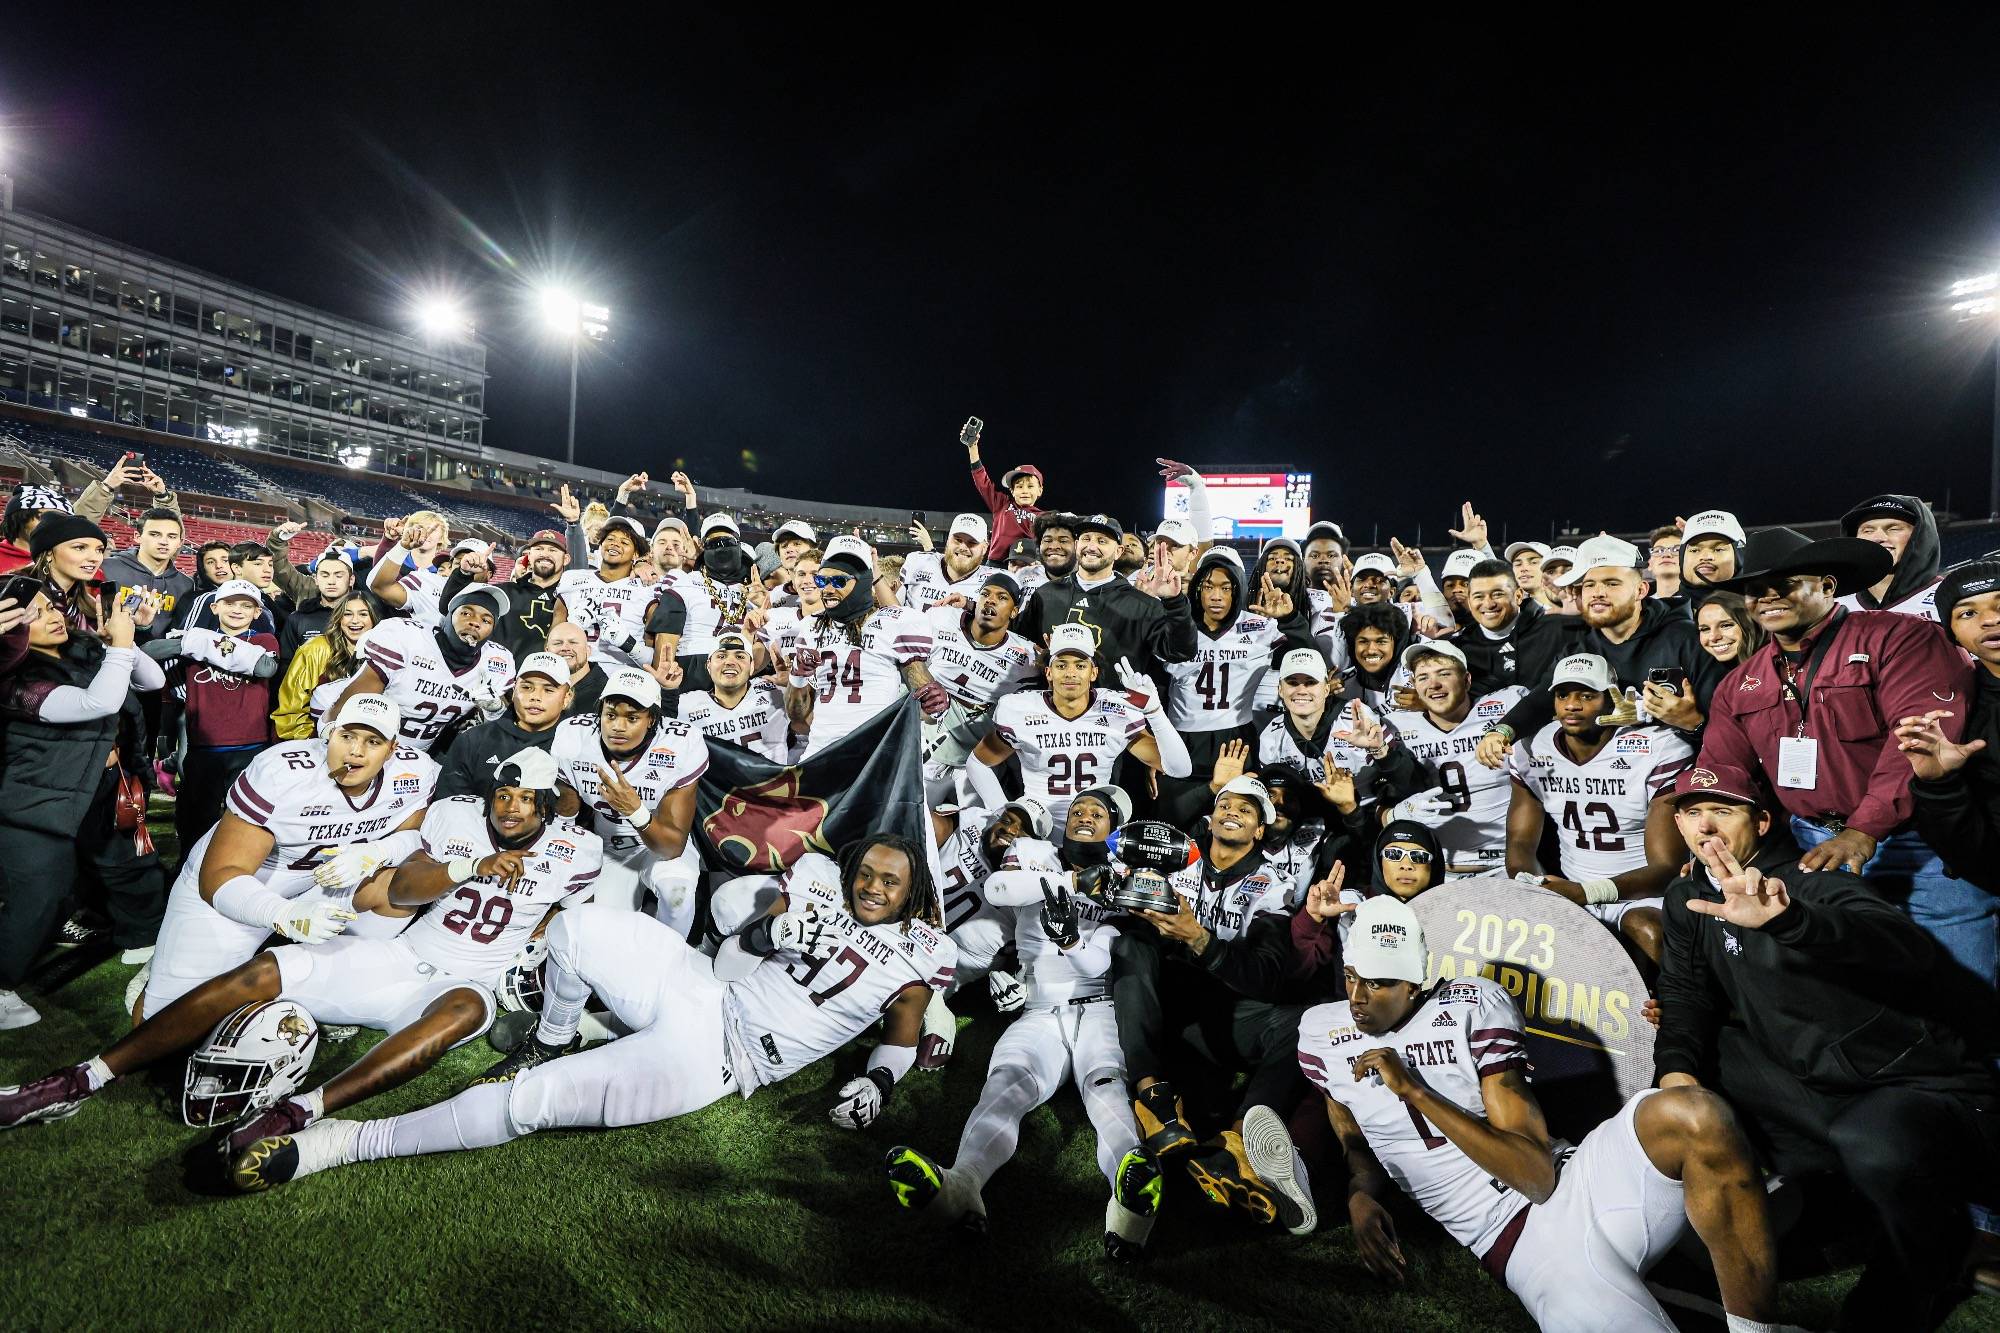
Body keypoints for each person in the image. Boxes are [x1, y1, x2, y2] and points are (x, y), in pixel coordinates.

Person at [227, 835, 951, 1191]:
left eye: (890, 880)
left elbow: (904, 1027)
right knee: (578, 926)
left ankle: (345, 1143)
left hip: (724, 1056)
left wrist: (879, 1083)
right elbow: (744, 938)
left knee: (530, 1103)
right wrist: (770, 930)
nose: (873, 886)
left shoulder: (917, 952)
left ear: (912, 891)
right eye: (867, 873)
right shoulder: (820, 890)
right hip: (706, 985)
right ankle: (554, 1033)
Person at [0, 750, 600, 1159]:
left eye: (527, 799)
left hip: (460, 987)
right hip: (402, 956)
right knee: (267, 970)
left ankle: (300, 1112)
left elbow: (564, 909)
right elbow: (401, 888)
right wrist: (471, 865)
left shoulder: (580, 851)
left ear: (550, 807)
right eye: (504, 794)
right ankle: (81, 1079)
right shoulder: (453, 817)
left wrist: (533, 940)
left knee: (465, 1013)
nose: (511, 807)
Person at [1299, 893, 1793, 1333]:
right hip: (1522, 1248)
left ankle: (1756, 1328)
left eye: (1379, 983)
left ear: (1414, 981)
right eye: (1351, 977)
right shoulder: (1321, 1032)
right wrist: (1361, 1193)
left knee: (1695, 1114)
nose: (1358, 997)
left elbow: (1536, 1178)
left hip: (1574, 1181)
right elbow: (1349, 1119)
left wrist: (1417, 1092)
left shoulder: (1470, 1004)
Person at [1656, 764, 1999, 1332]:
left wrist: (1790, 922)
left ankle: (1938, 1253)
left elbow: (1905, 948)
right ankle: (1841, 1206)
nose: (1705, 825)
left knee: (1869, 1139)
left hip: (1913, 1088)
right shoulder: (1689, 898)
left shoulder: (1810, 881)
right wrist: (1674, 1073)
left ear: (1762, 821)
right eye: (1692, 812)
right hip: (1821, 1086)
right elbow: (1685, 994)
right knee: (1701, 1059)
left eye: (1723, 810)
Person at [1698, 527, 1989, 984]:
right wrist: (1711, 835)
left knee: (1963, 990)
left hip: (1918, 846)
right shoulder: (1740, 682)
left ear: (1828, 586)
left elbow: (1914, 741)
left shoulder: (1901, 637)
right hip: (1814, 849)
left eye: (1787, 584)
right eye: (1757, 590)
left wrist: (1862, 830)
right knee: (1861, 998)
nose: (1769, 598)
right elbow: (1723, 771)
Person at [885, 799, 1163, 1260]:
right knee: (1005, 1086)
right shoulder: (1036, 853)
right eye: (1079, 808)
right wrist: (1070, 882)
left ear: (1116, 828)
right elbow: (997, 889)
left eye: (1099, 812)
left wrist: (1070, 937)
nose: (1086, 815)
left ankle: (1130, 1208)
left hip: (1099, 1007)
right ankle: (962, 1185)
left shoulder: (1124, 877)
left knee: (1107, 1088)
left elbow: (1101, 956)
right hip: (1038, 1008)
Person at [131, 694, 438, 1018]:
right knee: (168, 1015)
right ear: (329, 733)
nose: (356, 751)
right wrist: (285, 914)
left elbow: (415, 836)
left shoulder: (415, 771)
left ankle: (323, 983)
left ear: (392, 749)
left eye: (373, 740)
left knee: (394, 889)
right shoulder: (283, 772)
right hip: (243, 882)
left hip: (321, 878)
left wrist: (376, 851)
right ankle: (173, 960)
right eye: (347, 735)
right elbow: (220, 875)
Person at [1109, 778, 1317, 1232]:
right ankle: (1155, 1101)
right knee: (1130, 946)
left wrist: (1197, 938)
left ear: (1260, 830)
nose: (1233, 812)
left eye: (1248, 810)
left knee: (1303, 1021)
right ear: (1211, 814)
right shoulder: (1177, 861)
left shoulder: (1271, 886)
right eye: (1226, 803)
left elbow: (1267, 976)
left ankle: (1240, 1146)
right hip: (1165, 1008)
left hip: (1223, 1013)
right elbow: (1129, 914)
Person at [0, 588, 168, 1027]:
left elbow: (154, 682)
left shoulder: (84, 644)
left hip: (101, 784)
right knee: (40, 893)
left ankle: (141, 936)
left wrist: (121, 638)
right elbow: (97, 703)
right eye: (33, 613)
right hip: (38, 796)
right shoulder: (12, 675)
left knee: (125, 860)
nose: (51, 616)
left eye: (50, 606)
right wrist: (119, 645)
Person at [1504, 652, 1694, 962]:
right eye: (1562, 694)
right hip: (1568, 885)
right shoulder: (1533, 748)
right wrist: (1535, 886)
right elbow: (1520, 842)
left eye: (1587, 695)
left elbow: (1666, 868)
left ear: (1611, 700)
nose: (1572, 705)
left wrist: (1586, 893)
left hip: (1640, 894)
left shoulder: (1655, 748)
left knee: (1649, 931)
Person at [1479, 535, 1720, 772]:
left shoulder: (1688, 639)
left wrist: (1694, 724)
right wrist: (1501, 731)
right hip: (1614, 782)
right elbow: (1541, 699)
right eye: (1589, 584)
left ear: (1641, 590)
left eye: (1612, 583)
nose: (1598, 593)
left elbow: (1730, 729)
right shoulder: (1579, 647)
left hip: (1689, 779)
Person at [971, 624, 1191, 828]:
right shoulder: (1020, 709)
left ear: (1093, 673)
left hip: (1094, 831)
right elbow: (977, 763)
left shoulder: (1116, 710)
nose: (1070, 673)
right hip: (1036, 828)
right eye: (1061, 665)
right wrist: (1003, 814)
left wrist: (1155, 712)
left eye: (1080, 665)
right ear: (1048, 672)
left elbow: (1180, 769)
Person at [1158, 547, 1310, 826]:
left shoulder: (1258, 626)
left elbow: (1306, 661)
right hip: (1181, 737)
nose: (1216, 596)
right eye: (1209, 587)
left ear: (1237, 589)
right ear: (1197, 589)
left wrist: (1289, 621)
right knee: (1177, 819)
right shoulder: (1177, 626)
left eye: (1226, 588)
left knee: (1235, 818)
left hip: (1237, 736)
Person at [548, 668, 705, 933]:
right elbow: (566, 810)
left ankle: (671, 960)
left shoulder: (680, 743)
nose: (618, 727)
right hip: (610, 846)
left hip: (661, 842)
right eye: (610, 715)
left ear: (652, 720)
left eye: (632, 717)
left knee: (676, 892)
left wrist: (635, 810)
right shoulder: (573, 737)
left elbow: (671, 848)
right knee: (609, 934)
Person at [775, 535, 941, 757]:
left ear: (863, 582)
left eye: (839, 581)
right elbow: (798, 719)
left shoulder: (892, 624)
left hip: (874, 758)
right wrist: (798, 677)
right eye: (823, 581)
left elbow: (929, 714)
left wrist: (937, 705)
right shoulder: (811, 627)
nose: (828, 589)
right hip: (822, 753)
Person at [1897, 561, 2000, 898]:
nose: (1990, 618)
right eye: (1967, 613)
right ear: (1952, 634)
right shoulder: (1954, 715)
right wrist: (1940, 785)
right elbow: (1969, 853)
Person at [1382, 641, 1527, 878]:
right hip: (1435, 872)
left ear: (1467, 680)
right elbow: (1372, 803)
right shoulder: (1395, 727)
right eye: (1423, 678)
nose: (1433, 684)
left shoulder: (1506, 706)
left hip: (1505, 866)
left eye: (1444, 674)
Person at [164, 580, 280, 868]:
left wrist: (201, 645)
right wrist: (192, 641)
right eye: (229, 603)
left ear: (257, 612)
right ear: (215, 607)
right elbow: (152, 650)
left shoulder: (264, 640)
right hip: (205, 747)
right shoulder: (195, 636)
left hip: (250, 746)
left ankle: (232, 873)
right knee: (195, 821)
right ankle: (188, 875)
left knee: (244, 818)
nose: (237, 610)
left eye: (246, 605)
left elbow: (265, 666)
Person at [1013, 513, 1197, 690]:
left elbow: (1179, 652)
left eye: (1102, 541)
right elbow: (1015, 640)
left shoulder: (1142, 604)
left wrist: (1174, 602)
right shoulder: (1046, 594)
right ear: (1077, 545)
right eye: (1086, 539)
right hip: (1053, 712)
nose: (1092, 546)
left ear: (1118, 551)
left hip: (1114, 715)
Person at [331, 583, 518, 753]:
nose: (475, 622)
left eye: (486, 620)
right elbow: (347, 707)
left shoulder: (495, 662)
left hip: (421, 756)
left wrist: (494, 709)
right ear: (448, 617)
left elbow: (498, 730)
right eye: (466, 613)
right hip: (364, 746)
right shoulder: (408, 639)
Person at [433, 652, 574, 800]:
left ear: (566, 698)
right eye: (526, 687)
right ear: (513, 692)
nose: (535, 697)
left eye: (548, 690)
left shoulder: (576, 747)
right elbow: (448, 806)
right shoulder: (473, 740)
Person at [648, 512, 756, 691]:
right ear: (704, 549)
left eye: (727, 542)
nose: (721, 547)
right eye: (713, 543)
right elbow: (666, 640)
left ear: (739, 545)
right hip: (692, 673)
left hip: (741, 673)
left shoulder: (755, 587)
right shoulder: (685, 582)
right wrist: (665, 686)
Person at [673, 631, 792, 761]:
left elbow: (806, 724)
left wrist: (794, 687)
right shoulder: (685, 705)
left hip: (774, 780)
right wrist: (667, 691)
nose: (730, 662)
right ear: (708, 666)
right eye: (721, 656)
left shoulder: (774, 690)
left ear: (752, 667)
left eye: (740, 656)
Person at [273, 593, 376, 740]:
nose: (355, 620)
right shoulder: (315, 649)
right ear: (339, 618)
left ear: (374, 619)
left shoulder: (384, 654)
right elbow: (291, 710)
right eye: (347, 614)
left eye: (363, 614)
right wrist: (314, 741)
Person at [1451, 558, 1562, 693]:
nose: (1489, 604)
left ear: (1519, 596)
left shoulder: (1552, 630)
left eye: (1498, 594)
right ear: (1469, 601)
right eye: (1479, 596)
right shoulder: (1457, 647)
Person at [1839, 493, 1943, 620]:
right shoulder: (1833, 604)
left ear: (1921, 537)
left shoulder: (1951, 598)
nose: (1878, 538)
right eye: (1868, 530)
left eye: (1894, 529)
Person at [264, 524, 355, 666]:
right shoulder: (307, 588)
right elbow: (279, 569)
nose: (331, 581)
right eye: (325, 574)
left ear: (351, 578)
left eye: (338, 574)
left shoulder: (366, 601)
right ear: (316, 578)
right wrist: (278, 539)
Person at [101, 507, 196, 637]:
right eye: (154, 534)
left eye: (172, 536)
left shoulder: (185, 585)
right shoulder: (107, 568)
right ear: (137, 537)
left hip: (157, 655)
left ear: (180, 543)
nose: (164, 542)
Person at [965, 421, 1043, 564]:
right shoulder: (1001, 504)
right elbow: (982, 481)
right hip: (995, 563)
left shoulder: (1044, 517)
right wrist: (972, 447)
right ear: (1012, 491)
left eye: (1030, 486)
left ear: (1040, 490)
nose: (1024, 491)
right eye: (1019, 487)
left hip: (1026, 565)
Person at [496, 528, 569, 657]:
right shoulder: (503, 592)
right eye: (539, 549)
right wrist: (463, 575)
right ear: (529, 556)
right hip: (503, 674)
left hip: (551, 674)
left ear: (566, 559)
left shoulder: (571, 598)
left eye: (553, 550)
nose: (545, 554)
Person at [901, 514, 992, 613]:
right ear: (948, 541)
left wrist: (968, 604)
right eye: (958, 540)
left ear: (984, 548)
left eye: (972, 542)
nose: (963, 547)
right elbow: (892, 610)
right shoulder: (918, 561)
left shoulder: (993, 582)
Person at [547, 622, 606, 718]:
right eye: (557, 643)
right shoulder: (535, 687)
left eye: (573, 642)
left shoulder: (606, 694)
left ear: (588, 651)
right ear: (547, 651)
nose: (565, 648)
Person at [1678, 511, 1747, 593]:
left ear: (1739, 558)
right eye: (1694, 550)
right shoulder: (1664, 605)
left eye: (1718, 549)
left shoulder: (1760, 604)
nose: (1705, 557)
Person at [1693, 589, 1765, 667]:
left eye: (1725, 626)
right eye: (1705, 629)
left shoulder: (1774, 665)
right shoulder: (1705, 671)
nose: (1713, 637)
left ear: (1750, 624)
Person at [1645, 524, 1682, 600]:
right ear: (1650, 564)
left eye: (1676, 550)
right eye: (1659, 550)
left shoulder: (1703, 603)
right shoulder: (1638, 607)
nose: (1666, 554)